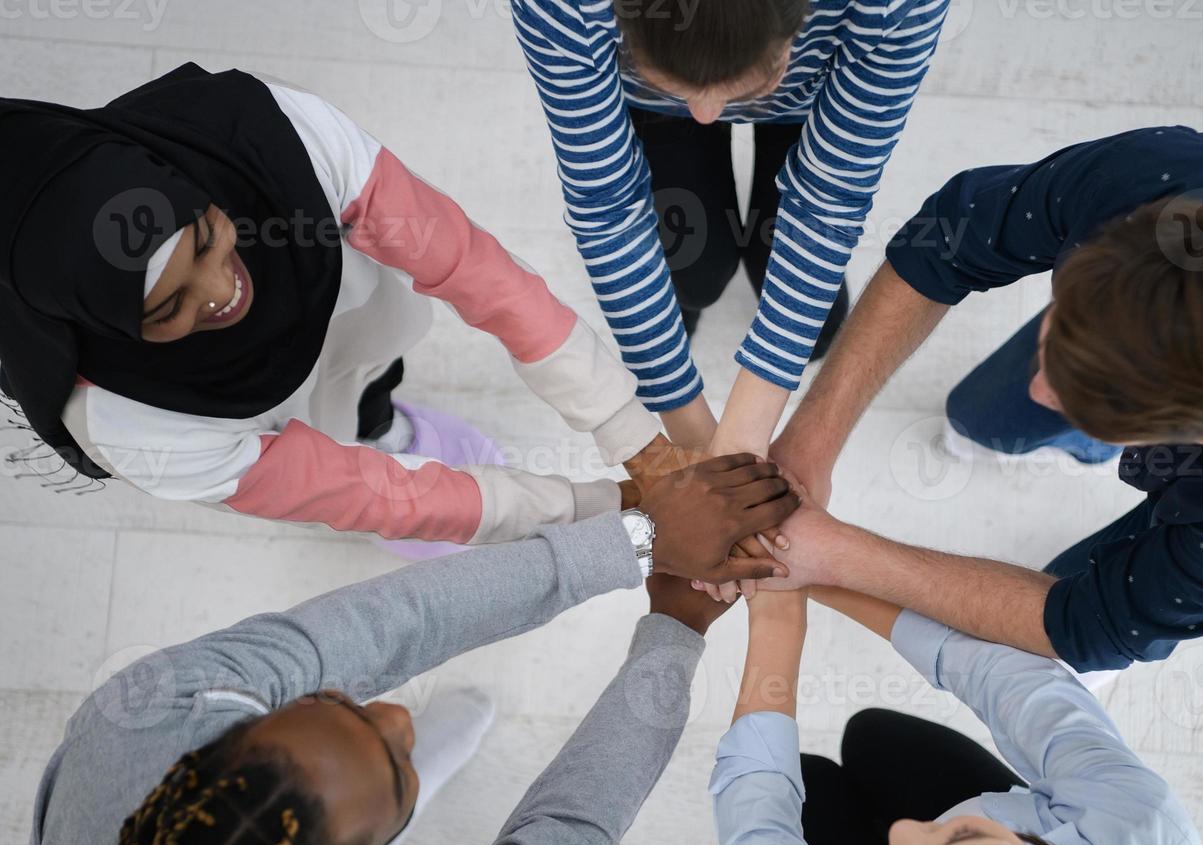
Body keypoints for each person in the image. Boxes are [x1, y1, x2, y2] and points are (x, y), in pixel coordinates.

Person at [29, 453, 794, 845]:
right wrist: (676, 629)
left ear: (222, 736)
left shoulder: (142, 717)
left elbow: (395, 623)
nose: (396, 713)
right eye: (398, 771)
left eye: (336, 703)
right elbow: (569, 831)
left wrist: (642, 535)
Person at [763, 127, 1203, 672]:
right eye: (1057, 335)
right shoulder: (1161, 183)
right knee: (983, 418)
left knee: (1052, 626)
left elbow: (1083, 624)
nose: (1040, 388)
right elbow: (943, 240)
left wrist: (839, 553)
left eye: (1081, 402)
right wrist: (811, 439)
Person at [0, 63, 691, 556]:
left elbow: (476, 272)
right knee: (349, 451)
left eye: (206, 238)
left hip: (338, 300)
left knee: (368, 363)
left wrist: (633, 437)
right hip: (242, 418)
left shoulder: (269, 135)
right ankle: (380, 435)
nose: (221, 292)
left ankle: (383, 418)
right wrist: (597, 511)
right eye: (169, 305)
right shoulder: (127, 424)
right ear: (106, 326)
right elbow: (369, 495)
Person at [511, 0, 949, 459]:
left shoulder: (894, 8)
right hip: (658, 109)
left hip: (811, 98)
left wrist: (745, 432)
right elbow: (607, 205)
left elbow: (828, 202)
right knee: (695, 274)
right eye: (690, 89)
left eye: (737, 86)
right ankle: (687, 298)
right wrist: (681, 410)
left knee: (817, 327)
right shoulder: (560, 7)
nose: (709, 111)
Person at [711, 587, 1203, 845]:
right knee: (876, 737)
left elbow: (758, 832)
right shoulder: (1144, 833)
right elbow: (1010, 680)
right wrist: (818, 570)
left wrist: (776, 618)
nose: (903, 832)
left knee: (810, 788)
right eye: (967, 834)